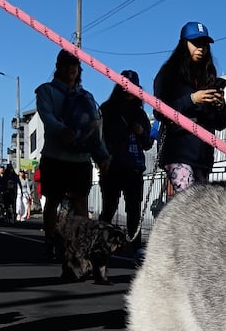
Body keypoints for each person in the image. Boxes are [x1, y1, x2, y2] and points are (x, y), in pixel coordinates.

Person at [35, 49, 110, 260]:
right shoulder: (46, 91)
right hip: (55, 157)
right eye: (66, 65)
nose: (71, 69)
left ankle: (80, 246)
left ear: (79, 69)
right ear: (58, 67)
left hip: (80, 159)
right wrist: (61, 130)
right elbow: (46, 116)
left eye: (75, 66)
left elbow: (95, 130)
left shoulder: (86, 96)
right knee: (52, 200)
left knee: (81, 203)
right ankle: (50, 240)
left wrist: (103, 155)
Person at [153, 21, 226, 195]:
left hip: (203, 156)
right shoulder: (168, 74)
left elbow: (222, 123)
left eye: (204, 44)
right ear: (183, 44)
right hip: (178, 153)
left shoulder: (208, 76)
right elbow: (159, 111)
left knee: (197, 211)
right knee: (189, 202)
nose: (201, 48)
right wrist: (192, 99)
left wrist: (219, 105)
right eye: (196, 43)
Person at [98, 69, 153, 256]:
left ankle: (135, 245)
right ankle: (100, 242)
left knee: (134, 209)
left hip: (134, 167)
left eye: (134, 87)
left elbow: (147, 144)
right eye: (125, 85)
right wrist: (102, 160)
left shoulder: (141, 114)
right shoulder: (107, 110)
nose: (129, 90)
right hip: (112, 165)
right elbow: (100, 137)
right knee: (109, 207)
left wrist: (141, 133)